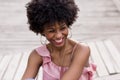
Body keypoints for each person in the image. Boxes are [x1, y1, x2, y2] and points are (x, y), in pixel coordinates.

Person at [22, 0, 96, 80]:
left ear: (68, 25)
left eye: (63, 28)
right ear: (42, 31)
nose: (58, 35)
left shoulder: (82, 50)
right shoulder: (37, 55)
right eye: (51, 31)